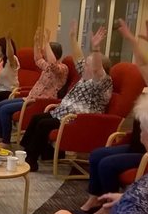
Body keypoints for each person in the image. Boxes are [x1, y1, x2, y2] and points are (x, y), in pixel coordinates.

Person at [81, 19, 148, 213]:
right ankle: (94, 198)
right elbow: (143, 64)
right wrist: (131, 39)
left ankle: (109, 208)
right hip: (136, 144)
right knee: (96, 155)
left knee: (107, 164)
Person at [20, 24, 112, 172]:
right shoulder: (86, 76)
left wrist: (96, 49)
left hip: (77, 120)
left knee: (43, 124)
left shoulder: (102, 82)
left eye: (88, 65)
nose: (84, 66)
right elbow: (78, 57)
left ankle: (31, 160)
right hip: (62, 114)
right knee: (37, 118)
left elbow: (97, 70)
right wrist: (72, 38)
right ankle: (29, 151)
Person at [0, 28, 69, 146]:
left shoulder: (62, 69)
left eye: (46, 51)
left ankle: (6, 141)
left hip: (39, 101)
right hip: (30, 97)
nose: (43, 53)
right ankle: (0, 135)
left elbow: (53, 64)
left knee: (4, 110)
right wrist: (36, 42)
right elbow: (38, 59)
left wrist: (47, 41)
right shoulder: (47, 66)